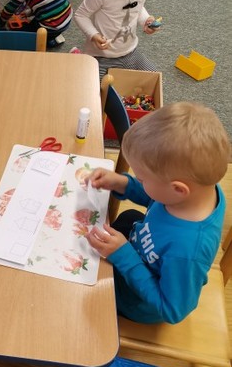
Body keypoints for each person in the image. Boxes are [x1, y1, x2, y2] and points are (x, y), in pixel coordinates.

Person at [85, 102, 229, 324]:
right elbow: (156, 196)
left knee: (82, 287)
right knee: (129, 217)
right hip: (144, 244)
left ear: (178, 189)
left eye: (142, 178)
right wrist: (122, 183)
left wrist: (123, 255)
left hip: (138, 299)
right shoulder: (197, 190)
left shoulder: (187, 250)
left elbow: (172, 310)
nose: (139, 180)